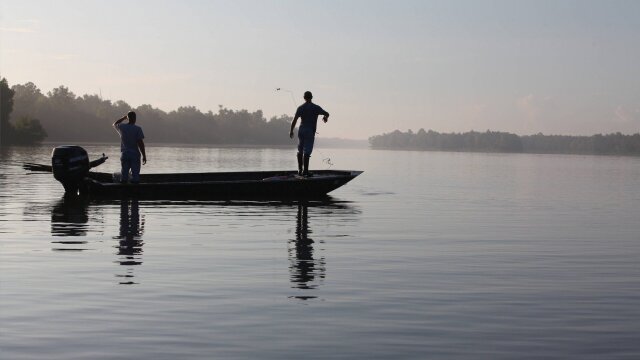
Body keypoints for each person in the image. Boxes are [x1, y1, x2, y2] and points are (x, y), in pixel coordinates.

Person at [289, 91, 329, 176]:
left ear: (304, 98)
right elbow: (327, 113)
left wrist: (291, 131)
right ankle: (305, 171)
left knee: (300, 150)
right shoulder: (316, 107)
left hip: (301, 130)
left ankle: (300, 170)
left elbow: (295, 120)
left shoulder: (300, 108)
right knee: (307, 151)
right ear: (312, 97)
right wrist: (325, 117)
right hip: (309, 131)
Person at [113, 111, 146, 183]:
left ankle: (124, 191)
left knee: (124, 176)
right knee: (135, 177)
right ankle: (135, 192)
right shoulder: (137, 129)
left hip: (124, 154)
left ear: (128, 118)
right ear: (135, 118)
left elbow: (114, 124)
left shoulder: (122, 127)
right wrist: (144, 156)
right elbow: (140, 144)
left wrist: (123, 118)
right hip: (134, 155)